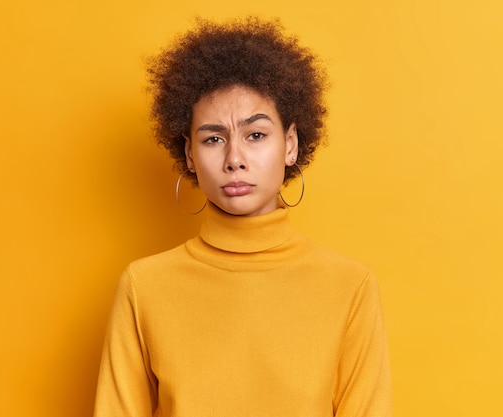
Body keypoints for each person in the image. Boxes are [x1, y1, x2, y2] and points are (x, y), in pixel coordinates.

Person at [93, 16, 392, 417]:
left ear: (290, 144)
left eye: (255, 135)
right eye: (214, 139)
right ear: (189, 155)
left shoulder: (349, 287)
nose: (235, 159)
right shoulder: (144, 288)